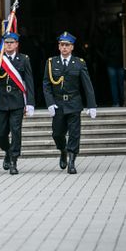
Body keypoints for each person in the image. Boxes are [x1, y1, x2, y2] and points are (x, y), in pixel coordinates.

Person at [43, 32, 97, 174]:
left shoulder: (79, 63)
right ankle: (63, 150)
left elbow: (87, 85)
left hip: (74, 102)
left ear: (72, 47)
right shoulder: (51, 62)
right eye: (62, 45)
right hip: (58, 103)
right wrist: (49, 103)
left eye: (67, 45)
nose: (64, 47)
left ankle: (72, 161)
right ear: (59, 46)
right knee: (57, 134)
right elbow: (46, 84)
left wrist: (91, 105)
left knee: (74, 133)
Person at [0, 32, 35, 175]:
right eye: (6, 42)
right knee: (1, 134)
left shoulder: (23, 59)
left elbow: (29, 81)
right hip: (1, 100)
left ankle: (14, 160)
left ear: (16, 44)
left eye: (11, 42)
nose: (8, 45)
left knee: (16, 131)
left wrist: (30, 103)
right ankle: (7, 151)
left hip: (17, 100)